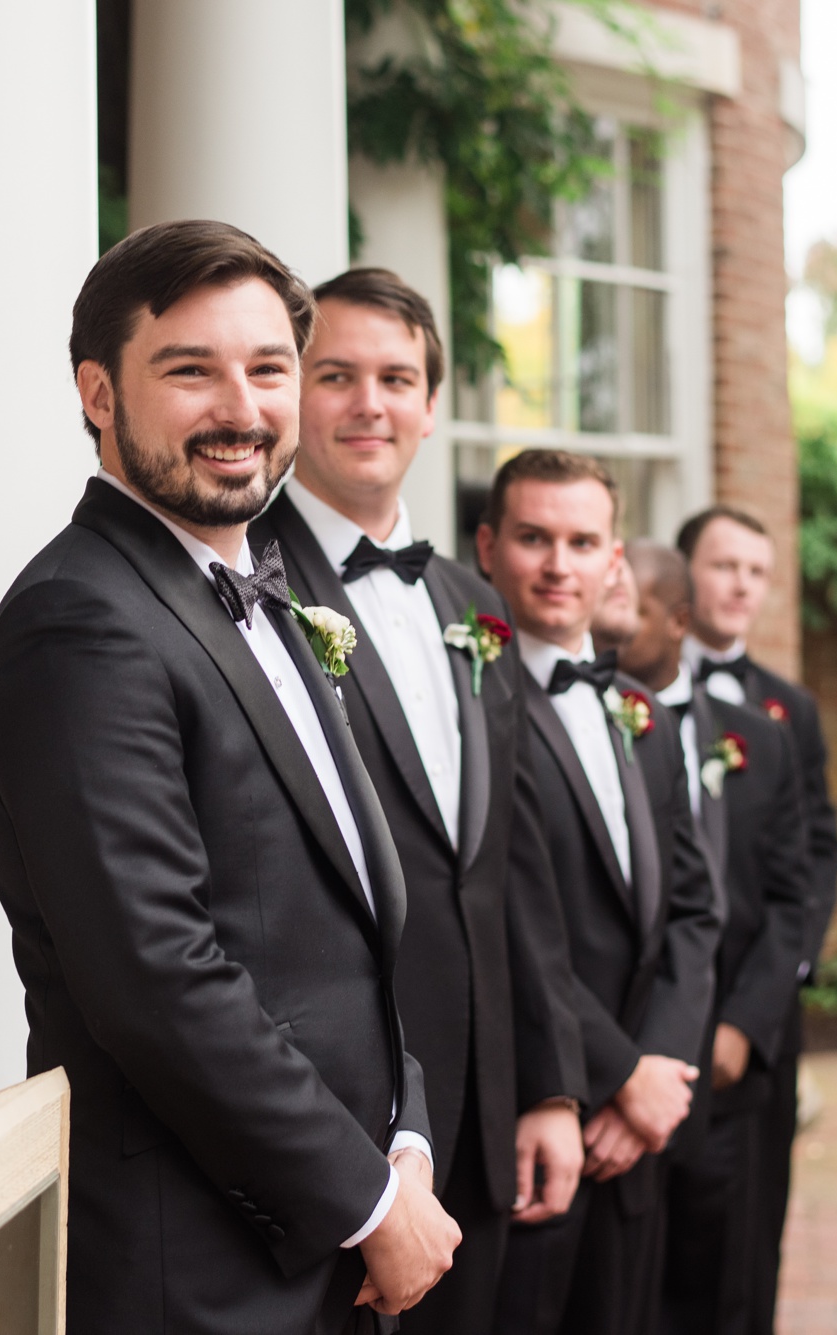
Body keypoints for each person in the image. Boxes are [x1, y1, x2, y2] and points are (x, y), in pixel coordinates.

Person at [0, 222, 460, 1335]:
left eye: (267, 368)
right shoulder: (78, 623)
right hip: (184, 1268)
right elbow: (156, 976)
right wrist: (369, 1198)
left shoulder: (259, 592)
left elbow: (346, 928)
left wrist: (403, 1136)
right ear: (98, 392)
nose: (240, 409)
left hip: (318, 1239)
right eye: (189, 370)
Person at [247, 268, 586, 1335]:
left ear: (430, 407)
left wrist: (548, 1084)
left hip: (482, 1118)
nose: (368, 403)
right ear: (293, 394)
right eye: (334, 374)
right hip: (342, 1128)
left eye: (396, 378)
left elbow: (506, 868)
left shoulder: (470, 606)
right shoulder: (243, 588)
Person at [478, 451, 719, 1335]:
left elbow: (695, 909)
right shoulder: (470, 704)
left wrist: (658, 1074)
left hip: (642, 1130)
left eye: (582, 542)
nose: (557, 564)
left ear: (614, 560)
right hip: (533, 1119)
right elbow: (495, 918)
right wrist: (612, 1074)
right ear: (489, 548)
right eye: (535, 538)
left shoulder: (640, 711)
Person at [612, 542, 811, 1335]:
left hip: (728, 1063)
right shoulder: (593, 718)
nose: (613, 626)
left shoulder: (757, 737)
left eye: (632, 613)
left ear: (678, 621)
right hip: (623, 1057)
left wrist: (742, 1025)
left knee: (721, 1273)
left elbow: (794, 892)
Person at [675, 506, 837, 1333]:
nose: (741, 584)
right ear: (682, 575)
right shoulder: (631, 688)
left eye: (755, 570)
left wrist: (758, 1007)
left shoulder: (789, 710)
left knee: (746, 1239)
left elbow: (816, 859)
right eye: (723, 565)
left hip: (759, 1008)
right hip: (657, 1015)